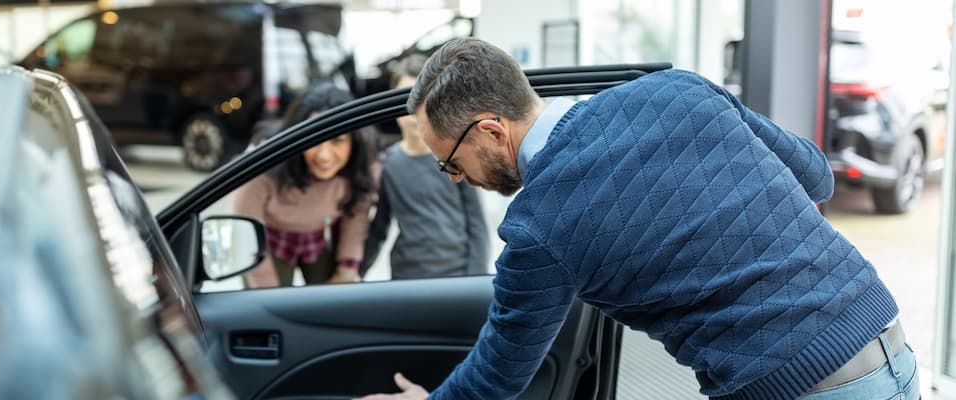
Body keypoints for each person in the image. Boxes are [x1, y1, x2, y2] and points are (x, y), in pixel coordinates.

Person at [360, 38, 917, 400]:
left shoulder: (538, 225)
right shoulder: (677, 89)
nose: (454, 176)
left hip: (795, 386)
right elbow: (816, 177)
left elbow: (501, 368)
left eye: (450, 162)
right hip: (887, 339)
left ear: (489, 129)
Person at [234, 83, 378, 288]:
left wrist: (346, 269)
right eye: (315, 139)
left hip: (321, 236)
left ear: (354, 140)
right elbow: (247, 235)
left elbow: (356, 217)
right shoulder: (263, 164)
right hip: (269, 241)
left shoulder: (363, 165)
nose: (324, 155)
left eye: (337, 140)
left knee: (333, 304)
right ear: (297, 135)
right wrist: (268, 298)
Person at [362, 54, 490, 279]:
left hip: (455, 274)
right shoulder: (387, 164)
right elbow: (379, 228)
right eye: (405, 98)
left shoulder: (455, 155)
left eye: (421, 99)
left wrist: (474, 279)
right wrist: (353, 271)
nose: (412, 110)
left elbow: (477, 225)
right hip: (407, 276)